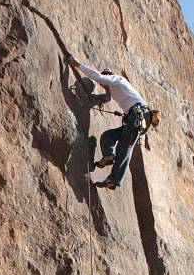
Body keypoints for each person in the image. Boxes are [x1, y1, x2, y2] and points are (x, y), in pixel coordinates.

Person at [66, 55, 160, 190]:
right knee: (108, 136)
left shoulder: (116, 79)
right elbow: (107, 98)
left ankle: (114, 179)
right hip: (137, 118)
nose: (102, 84)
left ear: (108, 75)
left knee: (124, 147)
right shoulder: (114, 89)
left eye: (104, 81)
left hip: (138, 116)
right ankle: (109, 155)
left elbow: (98, 77)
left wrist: (77, 65)